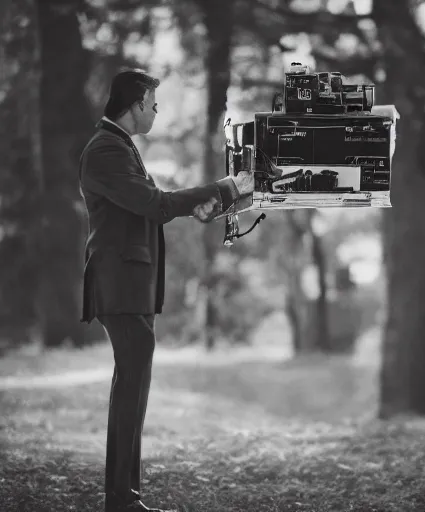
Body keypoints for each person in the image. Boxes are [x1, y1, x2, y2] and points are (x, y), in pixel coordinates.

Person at [78, 69, 255, 512]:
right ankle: (121, 499)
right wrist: (224, 188)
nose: (157, 111)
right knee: (130, 392)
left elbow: (155, 207)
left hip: (130, 286)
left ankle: (123, 497)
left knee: (133, 391)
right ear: (137, 103)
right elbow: (156, 205)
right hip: (118, 286)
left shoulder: (119, 147)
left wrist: (228, 200)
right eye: (154, 104)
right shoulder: (105, 150)